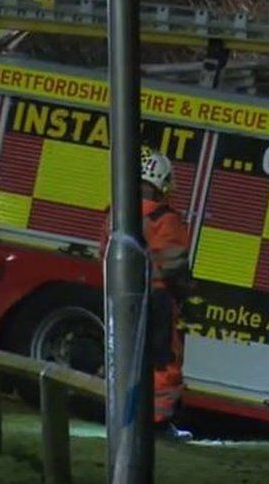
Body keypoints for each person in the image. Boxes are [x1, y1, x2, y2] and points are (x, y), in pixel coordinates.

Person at [101, 147, 192, 441]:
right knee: (163, 362)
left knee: (125, 357)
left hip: (122, 299)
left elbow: (104, 253)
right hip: (159, 301)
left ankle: (123, 417)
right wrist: (189, 296)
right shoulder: (164, 219)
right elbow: (173, 266)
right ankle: (157, 423)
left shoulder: (117, 213)